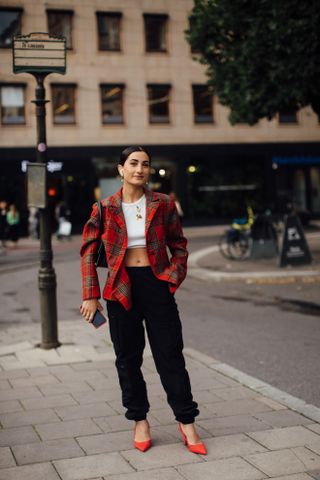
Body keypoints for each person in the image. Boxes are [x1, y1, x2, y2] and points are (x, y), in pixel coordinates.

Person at [80, 146, 206, 455]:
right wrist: (91, 296)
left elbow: (178, 244)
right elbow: (87, 253)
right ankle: (139, 420)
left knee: (170, 355)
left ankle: (186, 421)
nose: (140, 169)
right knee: (127, 359)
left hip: (156, 283)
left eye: (145, 164)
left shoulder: (163, 204)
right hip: (120, 288)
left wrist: (172, 276)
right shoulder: (104, 207)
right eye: (133, 163)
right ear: (120, 169)